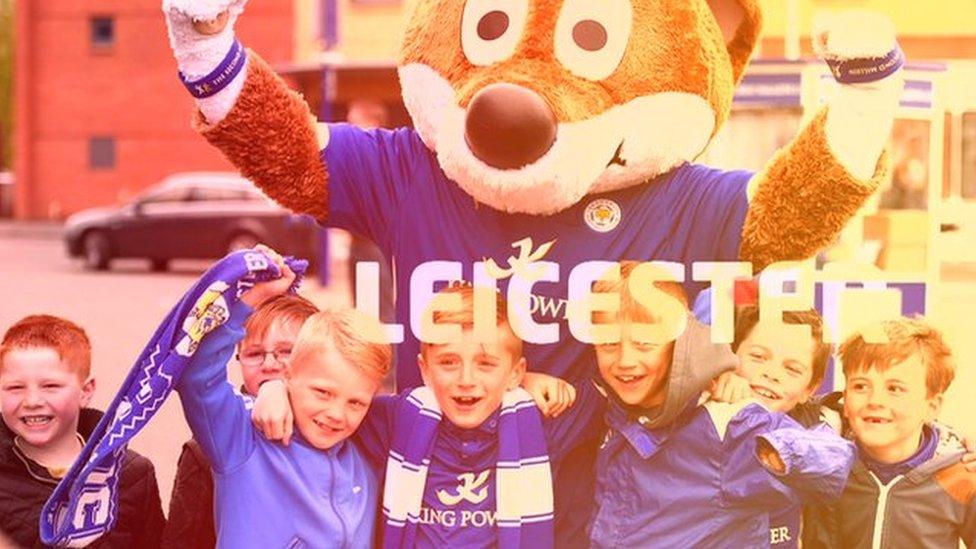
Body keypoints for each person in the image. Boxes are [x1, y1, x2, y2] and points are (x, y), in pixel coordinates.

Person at [254, 283, 604, 547]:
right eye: (449, 362)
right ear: (424, 369)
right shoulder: (398, 420)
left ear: (514, 373)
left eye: (486, 364)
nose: (466, 381)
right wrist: (276, 389)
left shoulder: (540, 421)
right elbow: (334, 398)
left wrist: (522, 382)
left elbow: (621, 393)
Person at [587, 262, 855, 547]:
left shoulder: (726, 422)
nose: (626, 360)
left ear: (679, 342)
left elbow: (833, 460)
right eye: (609, 345)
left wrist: (782, 451)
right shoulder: (619, 408)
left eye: (644, 344)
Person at [175, 247, 391, 548]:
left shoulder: (365, 460)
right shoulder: (242, 441)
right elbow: (195, 374)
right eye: (323, 393)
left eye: (355, 402)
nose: (336, 414)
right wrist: (250, 299)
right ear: (288, 374)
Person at [162, 294, 318, 548]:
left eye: (286, 351)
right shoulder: (207, 450)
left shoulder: (338, 430)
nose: (269, 364)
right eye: (254, 353)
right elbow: (182, 542)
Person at [0, 315, 165, 547]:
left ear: (86, 391)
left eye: (50, 386)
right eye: (15, 387)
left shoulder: (132, 473)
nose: (32, 400)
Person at [812, 317, 976, 547]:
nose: (875, 400)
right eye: (860, 386)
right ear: (845, 400)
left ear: (931, 407)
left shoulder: (963, 475)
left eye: (894, 388)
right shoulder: (823, 464)